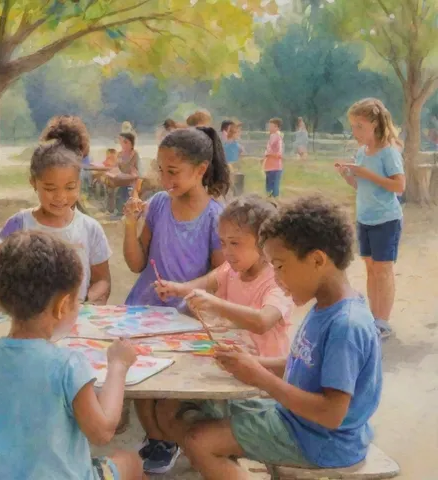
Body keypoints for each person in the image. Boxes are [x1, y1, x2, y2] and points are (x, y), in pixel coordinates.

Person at [154, 195, 381, 478]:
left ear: (317, 260)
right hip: (298, 422)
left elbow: (331, 414)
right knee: (190, 409)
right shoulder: (326, 306)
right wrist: (253, 362)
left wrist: (259, 377)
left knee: (200, 441)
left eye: (281, 266)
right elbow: (302, 363)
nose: (276, 277)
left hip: (321, 441)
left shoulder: (345, 325)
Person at [0, 231, 145, 480]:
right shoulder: (67, 366)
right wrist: (118, 366)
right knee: (131, 462)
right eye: (77, 302)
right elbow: (103, 432)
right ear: (62, 305)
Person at [122, 126, 230, 474]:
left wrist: (185, 290)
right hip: (145, 310)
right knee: (140, 382)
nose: (164, 178)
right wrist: (129, 224)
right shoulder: (156, 205)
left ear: (200, 170)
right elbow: (136, 263)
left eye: (173, 172)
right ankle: (158, 438)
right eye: (161, 170)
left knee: (168, 387)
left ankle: (166, 438)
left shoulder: (216, 216)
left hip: (186, 315)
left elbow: (221, 275)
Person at [154, 195, 293, 357]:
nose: (227, 251)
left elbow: (262, 322)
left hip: (265, 371)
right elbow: (207, 282)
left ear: (263, 242)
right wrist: (177, 289)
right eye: (222, 243)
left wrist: (214, 304)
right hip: (236, 362)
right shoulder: (231, 270)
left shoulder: (278, 280)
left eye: (234, 243)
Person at [0, 115, 112, 305]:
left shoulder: (90, 228)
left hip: (75, 322)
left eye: (70, 188)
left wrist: (85, 300)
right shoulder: (18, 225)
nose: (61, 197)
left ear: (79, 184)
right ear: (34, 183)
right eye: (51, 189)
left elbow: (102, 280)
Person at [335, 98, 405, 339]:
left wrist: (366, 173)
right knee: (370, 268)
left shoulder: (389, 152)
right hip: (365, 219)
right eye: (353, 126)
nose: (355, 132)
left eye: (359, 126)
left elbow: (399, 186)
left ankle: (383, 322)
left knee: (383, 270)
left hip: (386, 220)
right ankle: (373, 318)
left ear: (375, 124)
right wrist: (349, 176)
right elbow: (361, 186)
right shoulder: (361, 152)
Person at [105, 132, 143, 216]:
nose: (123, 144)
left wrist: (133, 173)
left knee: (125, 189)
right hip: (121, 178)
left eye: (125, 142)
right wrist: (113, 171)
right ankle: (111, 209)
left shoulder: (135, 155)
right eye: (121, 142)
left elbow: (139, 172)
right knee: (109, 183)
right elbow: (115, 167)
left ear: (131, 143)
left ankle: (122, 211)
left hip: (132, 180)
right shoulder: (119, 154)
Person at [263, 118, 284, 198]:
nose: (269, 128)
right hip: (269, 166)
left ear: (276, 127)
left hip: (275, 167)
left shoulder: (277, 138)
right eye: (269, 126)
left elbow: (279, 154)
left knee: (273, 190)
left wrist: (268, 154)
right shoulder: (272, 137)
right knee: (269, 189)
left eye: (271, 126)